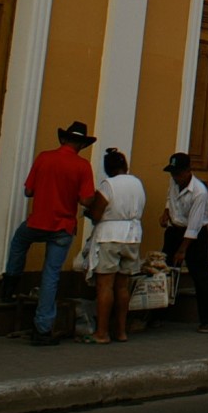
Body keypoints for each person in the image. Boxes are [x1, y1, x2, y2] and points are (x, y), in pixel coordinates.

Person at [2, 119, 97, 346]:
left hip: (37, 222)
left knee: (18, 242)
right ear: (82, 145)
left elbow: (28, 191)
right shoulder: (83, 166)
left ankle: (9, 284)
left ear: (63, 139)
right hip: (62, 227)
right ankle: (43, 328)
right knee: (51, 275)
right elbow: (86, 200)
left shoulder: (44, 157)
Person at [86, 147, 145, 344]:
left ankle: (102, 332)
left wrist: (88, 209)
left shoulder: (108, 185)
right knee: (122, 286)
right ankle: (121, 331)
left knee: (105, 285)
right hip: (133, 236)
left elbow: (96, 214)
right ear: (125, 166)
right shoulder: (137, 183)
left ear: (107, 168)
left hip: (110, 236)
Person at [160, 152, 208, 334]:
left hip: (194, 235)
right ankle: (159, 315)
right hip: (174, 230)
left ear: (188, 171)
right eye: (173, 173)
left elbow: (194, 226)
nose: (175, 177)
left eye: (178, 174)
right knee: (164, 271)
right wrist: (167, 212)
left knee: (200, 276)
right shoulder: (173, 182)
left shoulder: (199, 193)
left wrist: (183, 250)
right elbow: (170, 198)